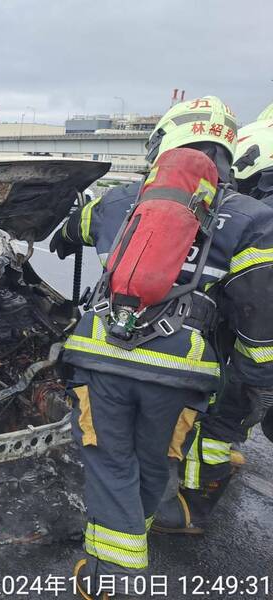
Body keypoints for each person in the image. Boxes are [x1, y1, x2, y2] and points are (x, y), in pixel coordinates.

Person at [48, 96, 273, 599]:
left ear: (164, 143)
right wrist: (256, 388)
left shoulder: (118, 200)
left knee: (110, 462)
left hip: (104, 358)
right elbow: (259, 319)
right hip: (182, 372)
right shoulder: (253, 218)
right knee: (154, 462)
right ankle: (131, 542)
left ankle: (113, 579)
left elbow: (70, 229)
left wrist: (66, 235)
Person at [153, 113, 273, 535]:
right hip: (242, 353)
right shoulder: (254, 217)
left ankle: (189, 508)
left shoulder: (255, 219)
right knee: (218, 427)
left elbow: (257, 315)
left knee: (215, 427)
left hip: (240, 358)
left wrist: (256, 375)